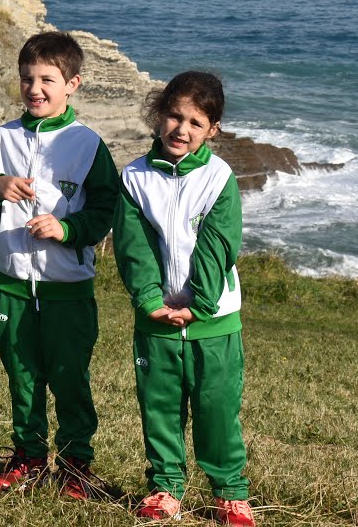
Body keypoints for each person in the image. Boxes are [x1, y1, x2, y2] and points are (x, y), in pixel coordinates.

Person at [0, 31, 118, 499]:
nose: (35, 88)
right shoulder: (1, 137)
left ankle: (75, 464)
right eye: (27, 79)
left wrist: (66, 230)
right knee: (21, 374)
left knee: (69, 377)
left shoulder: (87, 144)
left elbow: (105, 209)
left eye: (47, 80)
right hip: (11, 283)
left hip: (67, 288)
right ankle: (29, 456)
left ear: (72, 83)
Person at [115, 73, 252, 526]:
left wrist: (200, 304)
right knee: (159, 408)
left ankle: (230, 493)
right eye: (174, 116)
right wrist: (150, 300)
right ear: (159, 116)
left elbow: (219, 247)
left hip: (215, 322)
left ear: (212, 129)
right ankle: (164, 488)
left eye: (196, 122)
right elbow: (133, 246)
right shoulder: (135, 176)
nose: (182, 129)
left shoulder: (219, 178)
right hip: (155, 320)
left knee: (216, 409)